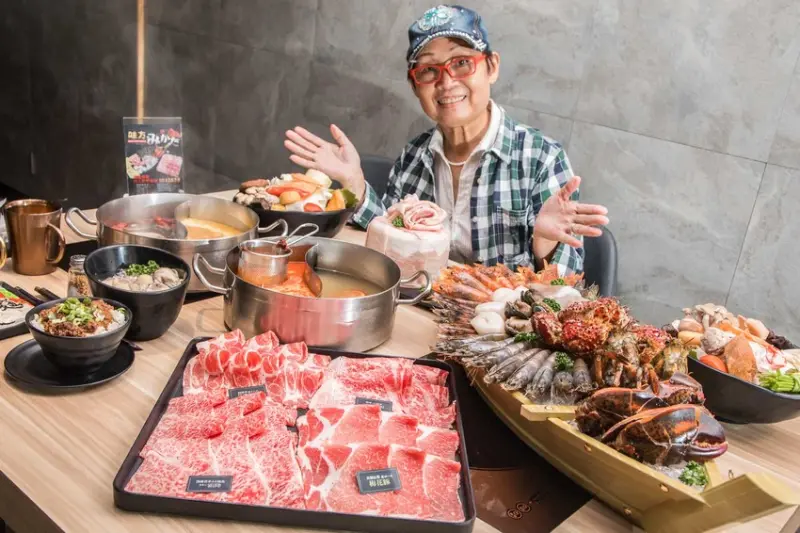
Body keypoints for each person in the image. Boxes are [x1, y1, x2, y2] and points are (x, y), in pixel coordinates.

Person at [284, 4, 609, 275]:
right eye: (428, 70)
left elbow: (564, 292)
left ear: (491, 67)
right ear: (416, 87)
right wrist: (355, 183)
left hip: (500, 336)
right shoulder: (413, 157)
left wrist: (544, 245)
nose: (446, 82)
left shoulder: (542, 159)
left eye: (462, 63)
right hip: (422, 314)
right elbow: (389, 238)